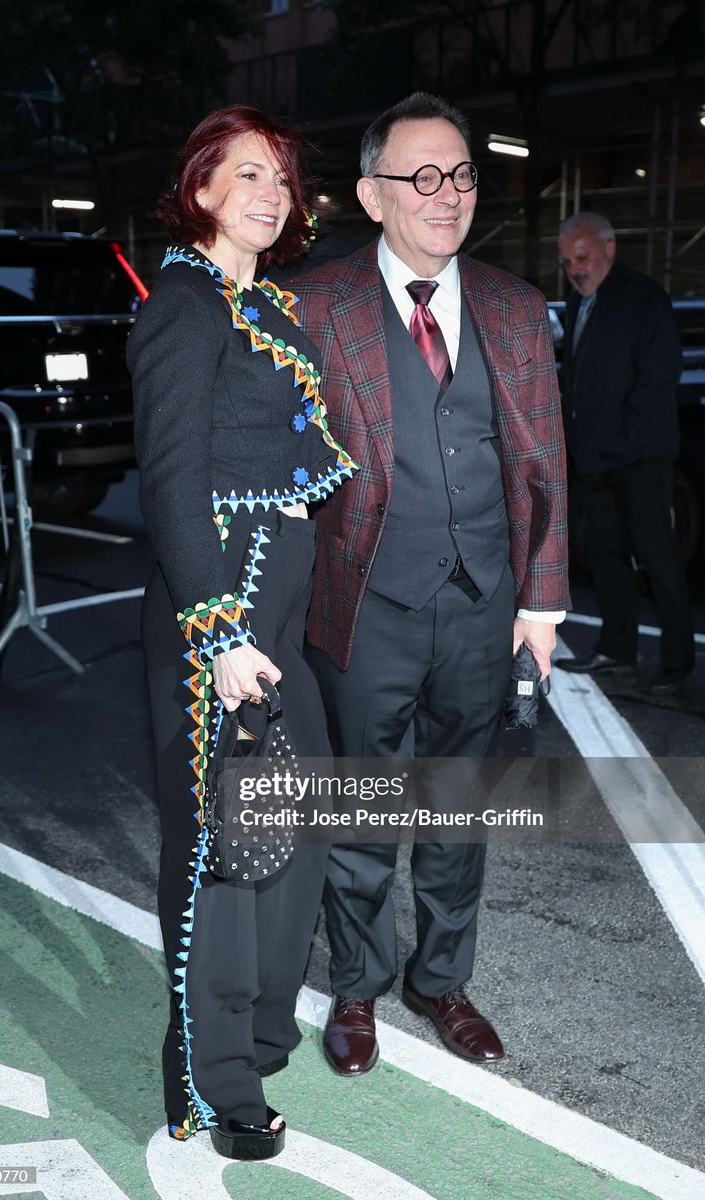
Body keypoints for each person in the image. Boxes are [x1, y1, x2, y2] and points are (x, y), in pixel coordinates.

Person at [291, 92, 569, 1076]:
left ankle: (441, 980)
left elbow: (543, 461)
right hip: (366, 604)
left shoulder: (512, 305)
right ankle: (359, 986)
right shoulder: (314, 307)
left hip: (485, 606)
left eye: (458, 174)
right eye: (421, 176)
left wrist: (541, 599)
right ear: (373, 194)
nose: (445, 194)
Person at [127, 106, 358, 1159]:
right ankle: (213, 1082)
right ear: (203, 187)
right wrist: (218, 633)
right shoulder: (182, 304)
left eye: (284, 179)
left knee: (296, 826)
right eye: (249, 174)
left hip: (274, 604)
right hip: (220, 605)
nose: (274, 193)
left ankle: (261, 1024)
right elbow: (173, 479)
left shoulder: (254, 299)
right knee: (223, 853)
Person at [556, 212, 694, 693]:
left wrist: (619, 440)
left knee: (657, 557)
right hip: (597, 461)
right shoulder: (578, 304)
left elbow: (658, 379)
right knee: (606, 558)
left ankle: (677, 660)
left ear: (609, 249)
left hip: (639, 458)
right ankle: (616, 651)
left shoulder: (642, 298)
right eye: (568, 261)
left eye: (583, 257)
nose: (575, 269)